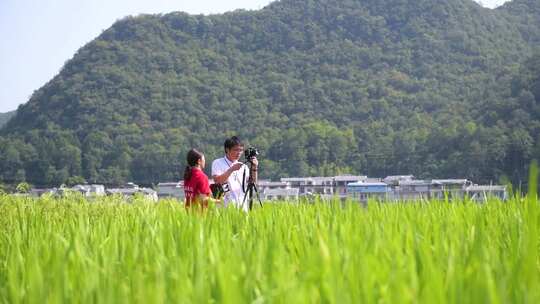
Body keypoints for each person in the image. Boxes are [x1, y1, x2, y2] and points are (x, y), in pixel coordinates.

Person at [212, 136, 258, 211]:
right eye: (236, 150)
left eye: (241, 150)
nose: (239, 153)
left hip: (242, 207)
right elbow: (217, 181)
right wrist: (231, 169)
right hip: (225, 208)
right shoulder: (218, 163)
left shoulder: (243, 166)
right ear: (227, 150)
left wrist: (254, 167)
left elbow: (253, 183)